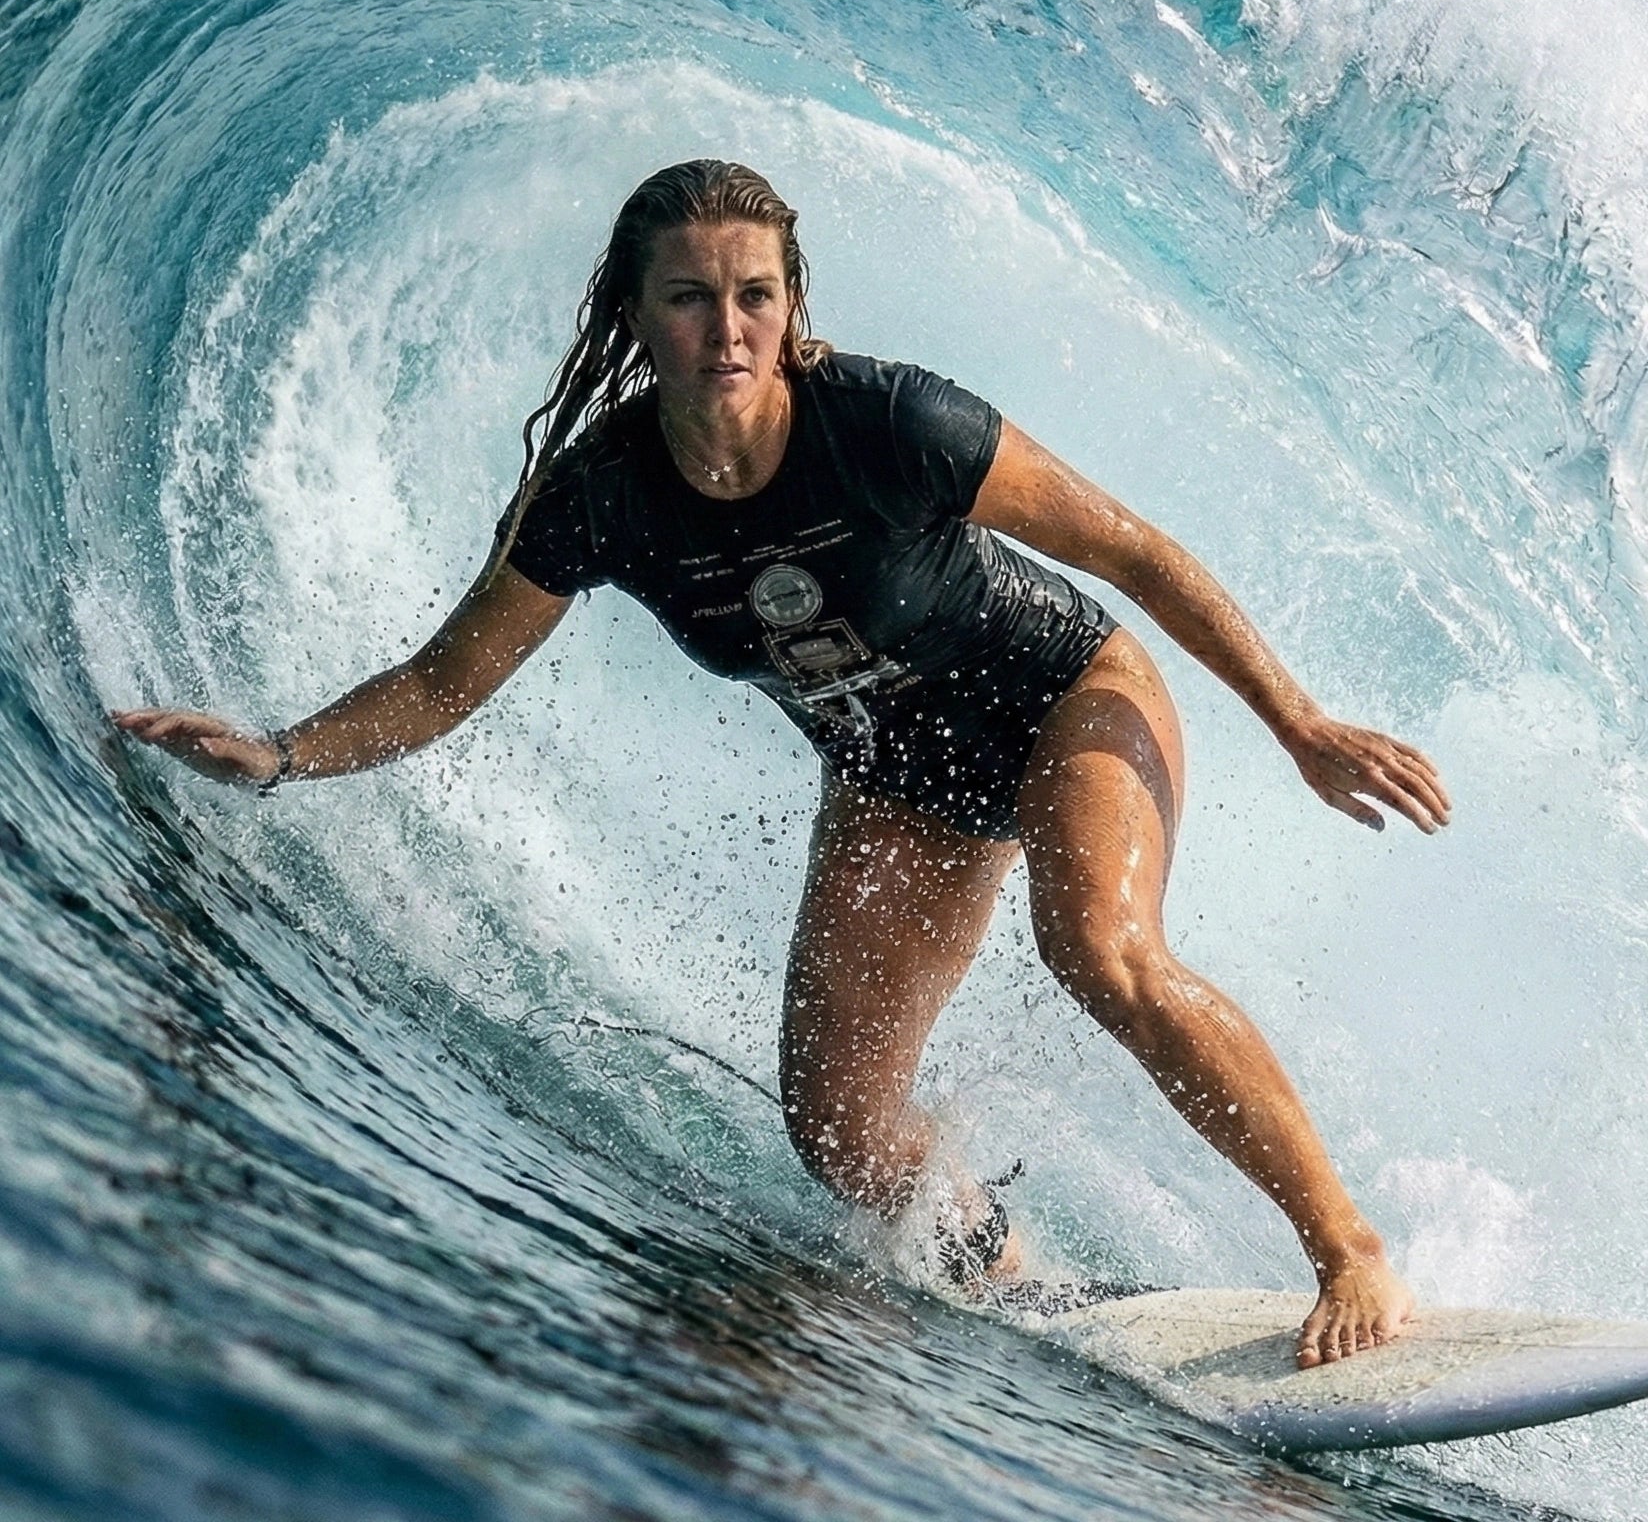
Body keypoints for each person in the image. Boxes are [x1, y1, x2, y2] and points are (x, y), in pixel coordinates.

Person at [114, 159, 1450, 1368]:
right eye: (691, 297)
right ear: (638, 317)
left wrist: (1301, 726)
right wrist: (283, 753)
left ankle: (1348, 1250)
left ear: (795, 310)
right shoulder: (602, 498)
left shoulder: (891, 424)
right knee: (839, 1130)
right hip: (897, 779)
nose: (728, 325)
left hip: (1067, 696)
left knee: (1097, 949)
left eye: (755, 293)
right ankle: (1007, 1265)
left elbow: (1134, 552)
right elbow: (444, 681)